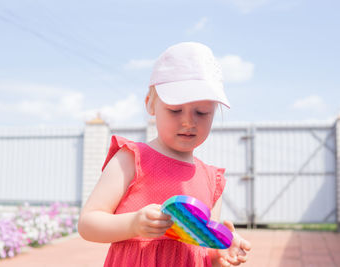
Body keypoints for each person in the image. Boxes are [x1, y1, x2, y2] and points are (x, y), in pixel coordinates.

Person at [78, 42, 251, 267]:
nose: (188, 121)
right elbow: (88, 224)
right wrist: (132, 224)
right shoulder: (131, 159)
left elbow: (201, 248)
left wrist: (219, 254)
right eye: (175, 110)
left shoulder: (212, 180)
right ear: (150, 104)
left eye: (202, 112)